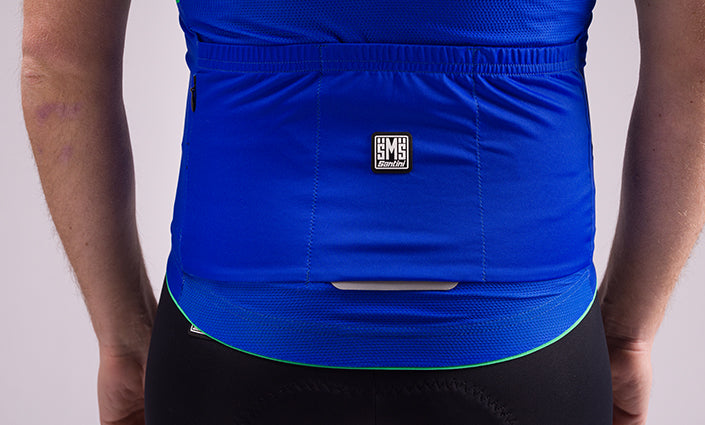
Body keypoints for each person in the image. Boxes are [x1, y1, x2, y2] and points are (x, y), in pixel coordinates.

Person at [20, 0, 705, 424]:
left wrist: (125, 340)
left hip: (233, 339)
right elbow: (694, 66)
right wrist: (625, 337)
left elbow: (56, 60)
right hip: (524, 345)